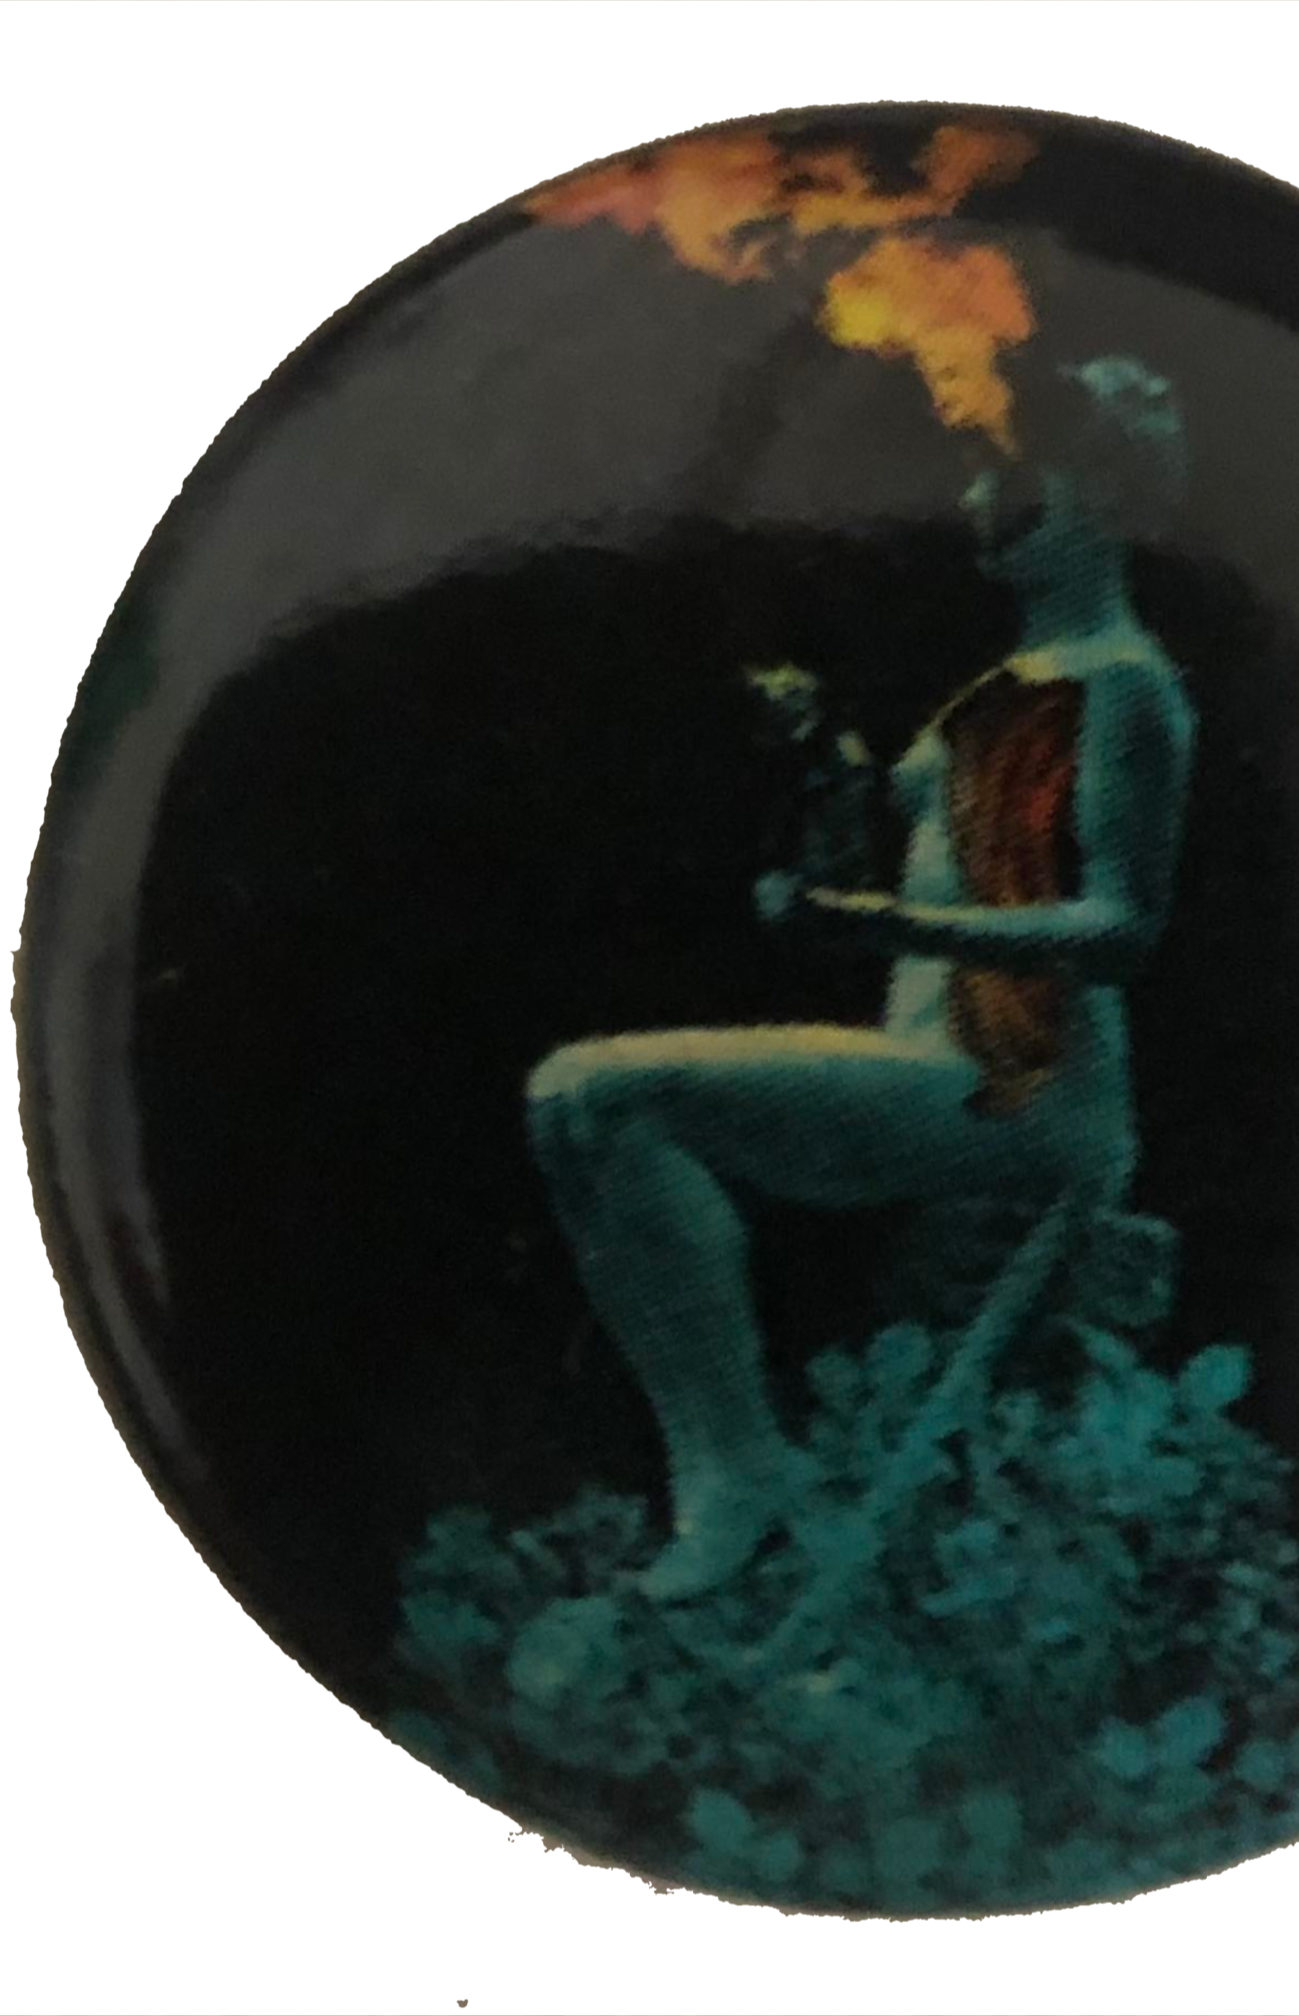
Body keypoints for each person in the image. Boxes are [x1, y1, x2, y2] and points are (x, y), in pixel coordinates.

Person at [525, 356, 1197, 1600]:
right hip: (939, 1067)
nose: (985, 498)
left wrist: (877, 920)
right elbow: (928, 879)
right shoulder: (999, 691)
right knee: (581, 1107)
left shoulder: (1123, 683)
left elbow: (1122, 931)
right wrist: (836, 798)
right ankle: (730, 1463)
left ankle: (737, 1470)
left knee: (599, 1097)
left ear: (1104, 495)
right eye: (984, 473)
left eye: (1021, 475)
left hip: (1025, 1094)